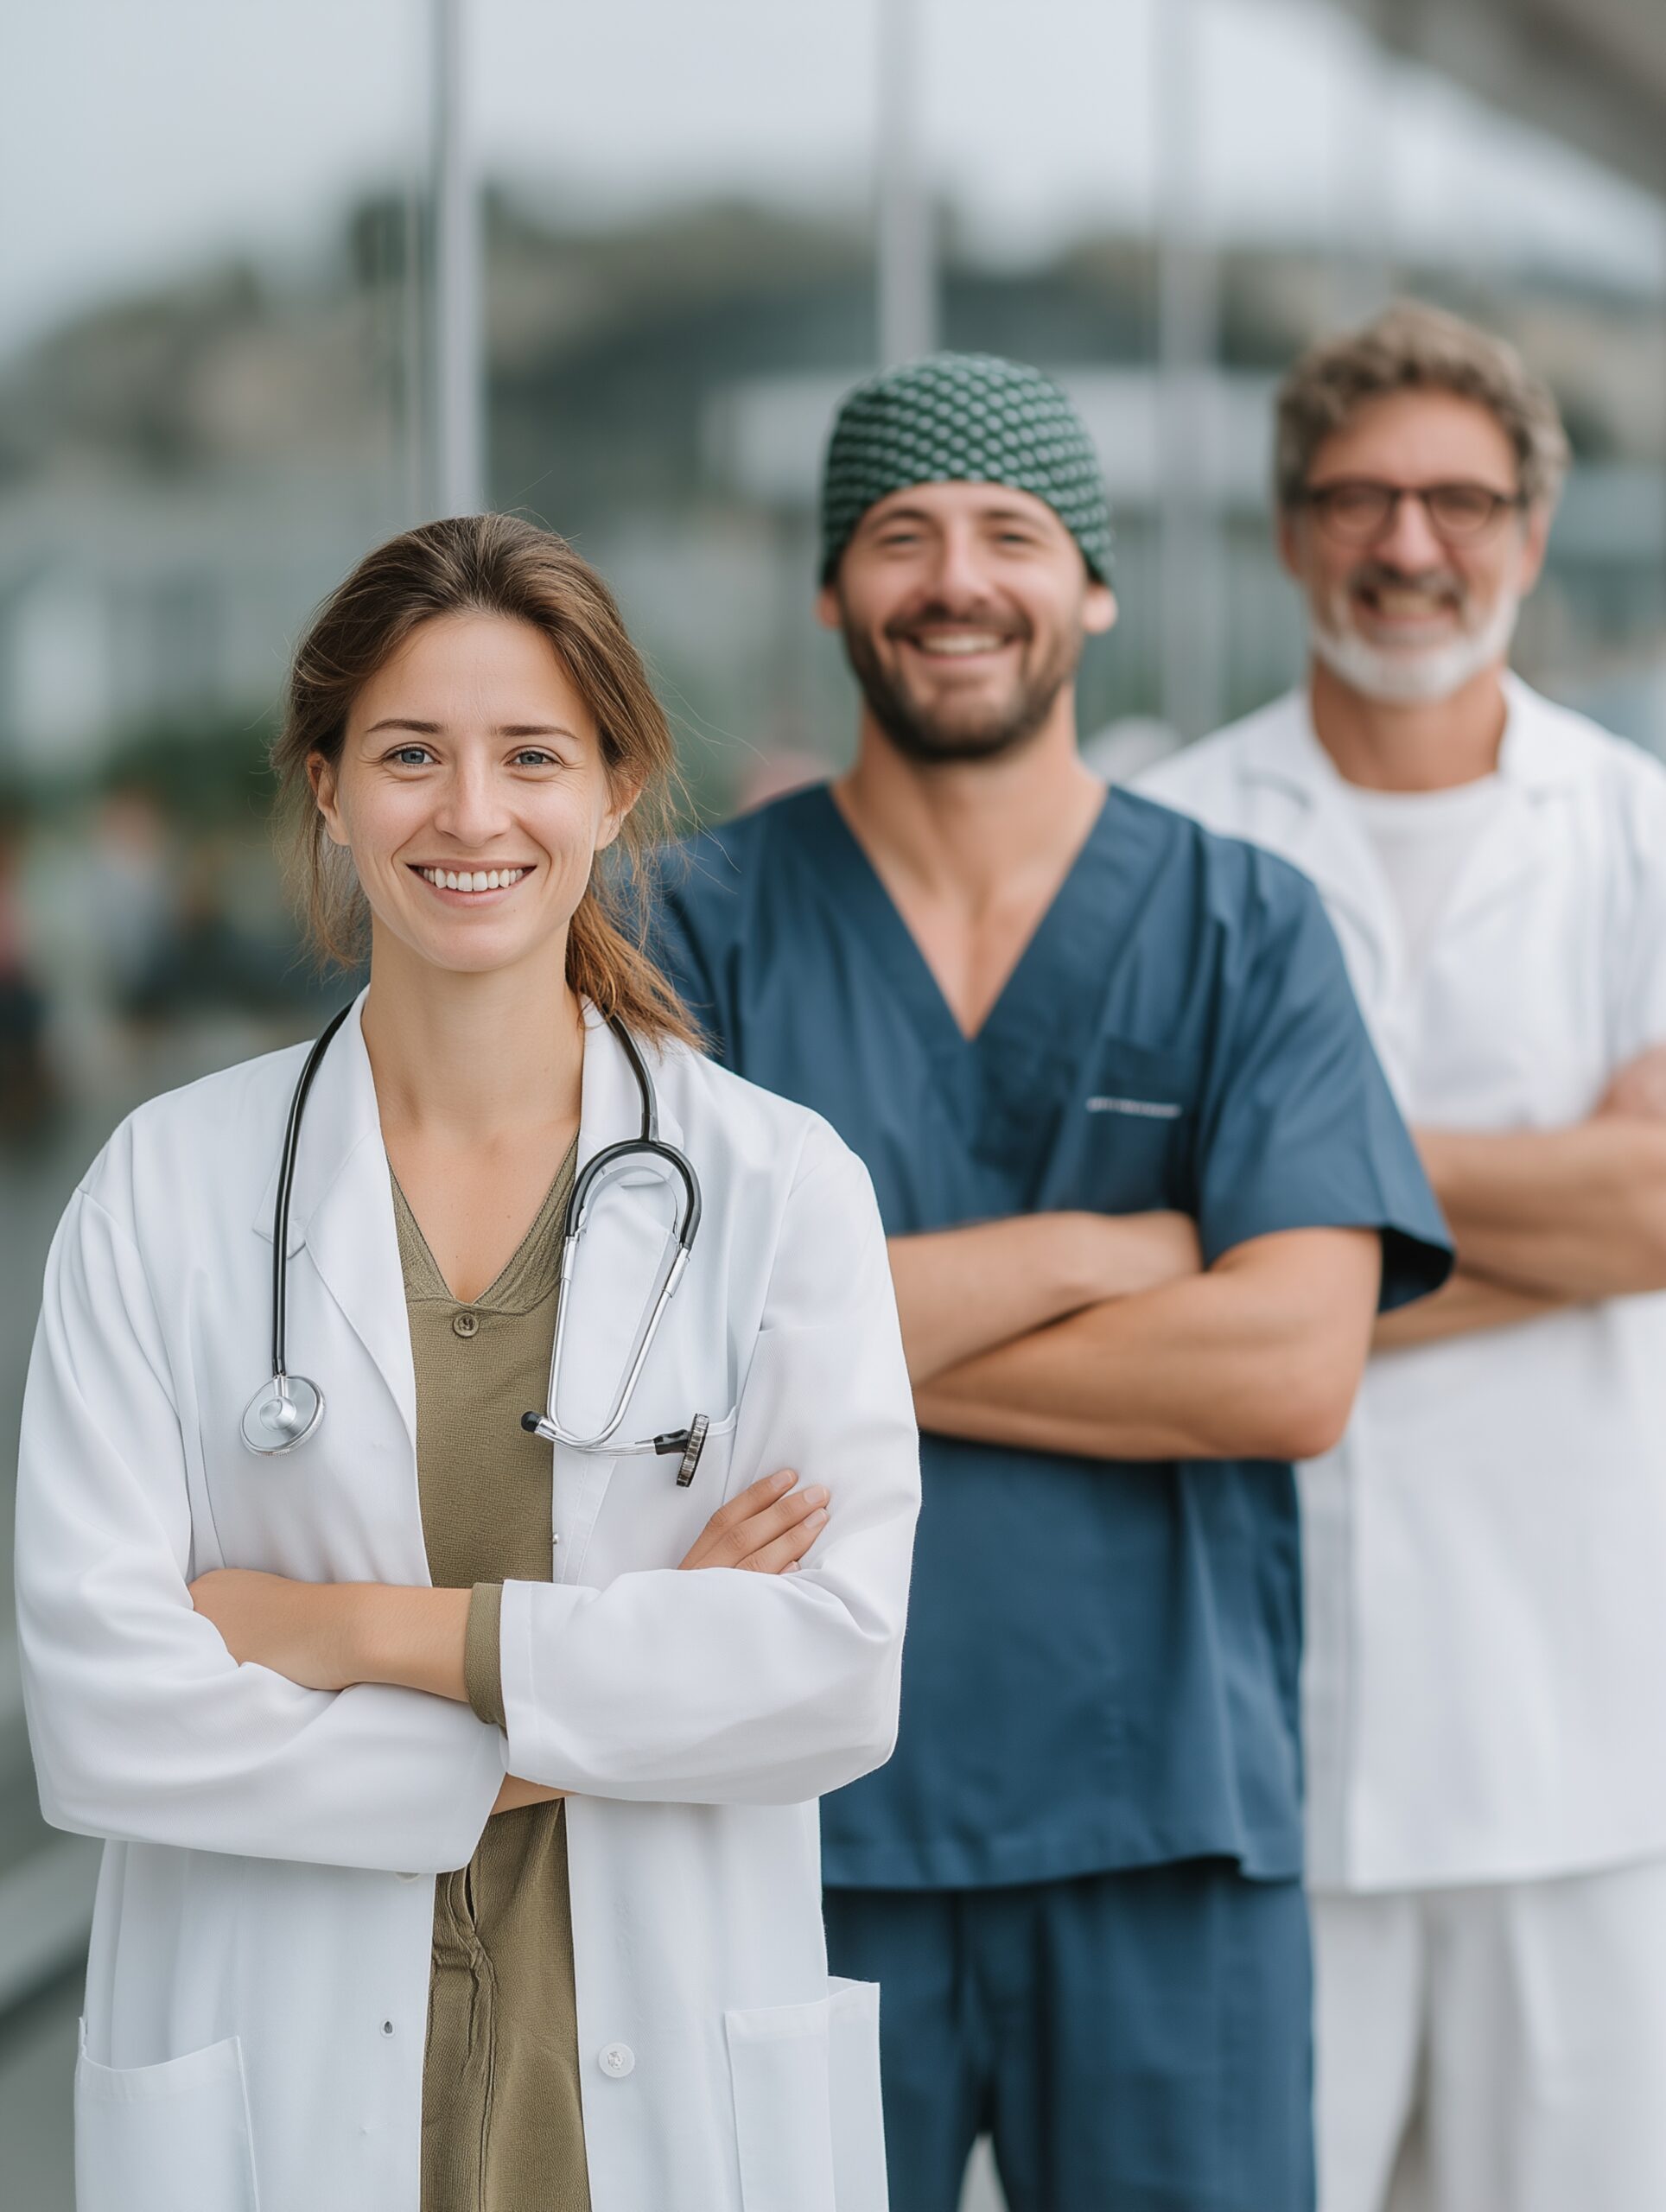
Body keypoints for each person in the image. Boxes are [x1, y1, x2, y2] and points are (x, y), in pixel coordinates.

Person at [16, 514, 919, 2212]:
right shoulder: (166, 1183)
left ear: (619, 782)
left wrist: (346, 1631)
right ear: (325, 785)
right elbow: (104, 1707)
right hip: (274, 2071)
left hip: (655, 2072)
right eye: (411, 753)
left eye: (531, 755)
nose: (471, 813)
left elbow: (830, 1670)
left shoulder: (777, 1184)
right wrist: (602, 1703)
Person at [650, 352, 1451, 2212]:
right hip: (784, 1824)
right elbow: (651, 1365)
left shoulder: (1243, 927)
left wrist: (818, 1338)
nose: (956, 577)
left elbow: (1288, 1370)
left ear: (1091, 586)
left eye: (1011, 532)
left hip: (1164, 1826)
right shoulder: (684, 930)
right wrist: (1103, 1249)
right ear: (834, 589)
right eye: (899, 534)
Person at [1139, 302, 1666, 2212]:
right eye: (1355, 498)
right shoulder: (1167, 842)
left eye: (1457, 497)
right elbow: (1142, 1273)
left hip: (1590, 1746)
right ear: (1287, 532)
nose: (1407, 541)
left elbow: (1663, 1212)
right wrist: (1576, 1207)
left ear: (1530, 527)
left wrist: (1282, 1203)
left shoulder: (1638, 833)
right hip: (1265, 1764)